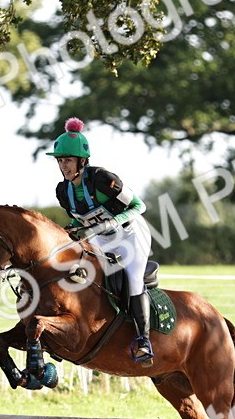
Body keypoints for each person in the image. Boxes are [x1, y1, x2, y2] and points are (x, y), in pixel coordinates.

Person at [47, 117, 155, 365]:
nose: (64, 166)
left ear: (82, 161)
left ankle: (143, 340)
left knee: (133, 277)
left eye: (68, 160)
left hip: (130, 233)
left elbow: (140, 205)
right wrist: (71, 229)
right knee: (84, 275)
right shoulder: (63, 191)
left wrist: (112, 223)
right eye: (60, 160)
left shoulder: (102, 179)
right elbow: (81, 220)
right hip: (102, 239)